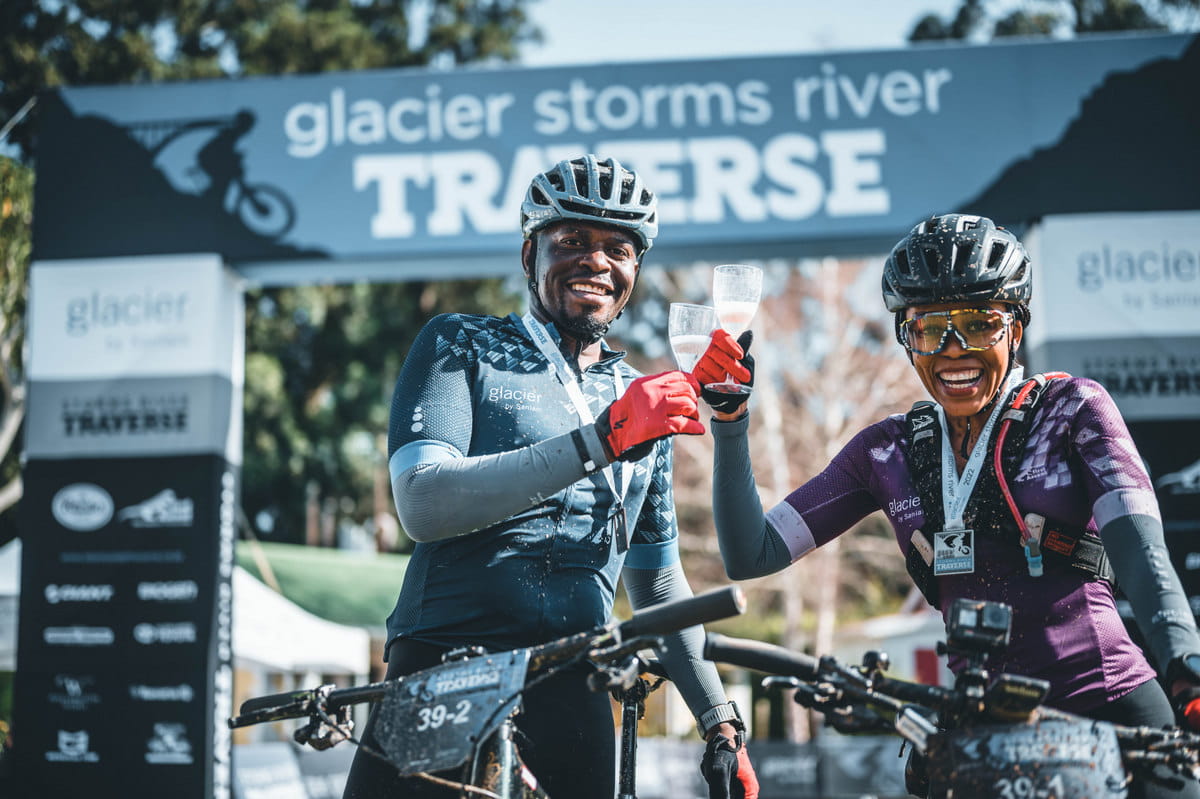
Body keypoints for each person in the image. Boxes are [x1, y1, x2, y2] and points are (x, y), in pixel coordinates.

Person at [693, 213, 1200, 798]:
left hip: (1111, 705)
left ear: (1015, 329)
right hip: (977, 733)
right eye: (931, 328)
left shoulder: (1074, 409)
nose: (954, 350)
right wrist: (731, 424)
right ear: (908, 339)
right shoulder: (885, 451)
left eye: (980, 324)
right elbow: (750, 553)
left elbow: (1142, 553)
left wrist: (1184, 664)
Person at [342, 154, 758, 799]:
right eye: (571, 241)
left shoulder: (637, 392)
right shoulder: (461, 343)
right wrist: (604, 437)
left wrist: (719, 721)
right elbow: (422, 503)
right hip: (447, 664)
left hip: (577, 677)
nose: (595, 261)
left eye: (618, 248)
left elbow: (658, 582)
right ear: (529, 254)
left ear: (635, 272)